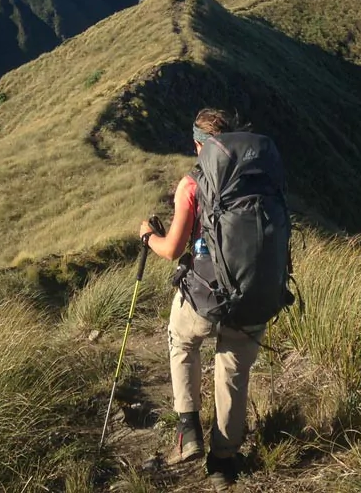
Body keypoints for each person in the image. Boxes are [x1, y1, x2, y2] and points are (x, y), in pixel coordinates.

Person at [139, 108, 267, 490]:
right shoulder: (258, 180)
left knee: (181, 341)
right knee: (233, 369)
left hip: (206, 298)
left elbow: (173, 247)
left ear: (199, 144)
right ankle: (222, 463)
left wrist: (148, 236)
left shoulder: (192, 185)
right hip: (253, 295)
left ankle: (188, 429)